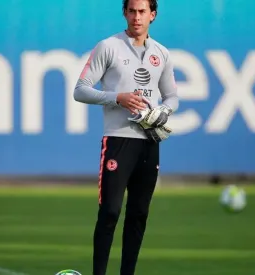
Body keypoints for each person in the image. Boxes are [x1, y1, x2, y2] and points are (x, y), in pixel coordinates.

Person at [73, 0, 179, 274]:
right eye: (131, 11)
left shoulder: (162, 53)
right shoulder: (108, 46)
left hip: (149, 142)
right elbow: (81, 90)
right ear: (124, 13)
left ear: (153, 15)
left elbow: (172, 96)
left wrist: (163, 112)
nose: (136, 17)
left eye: (142, 11)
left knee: (139, 214)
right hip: (118, 141)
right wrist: (116, 98)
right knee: (110, 211)